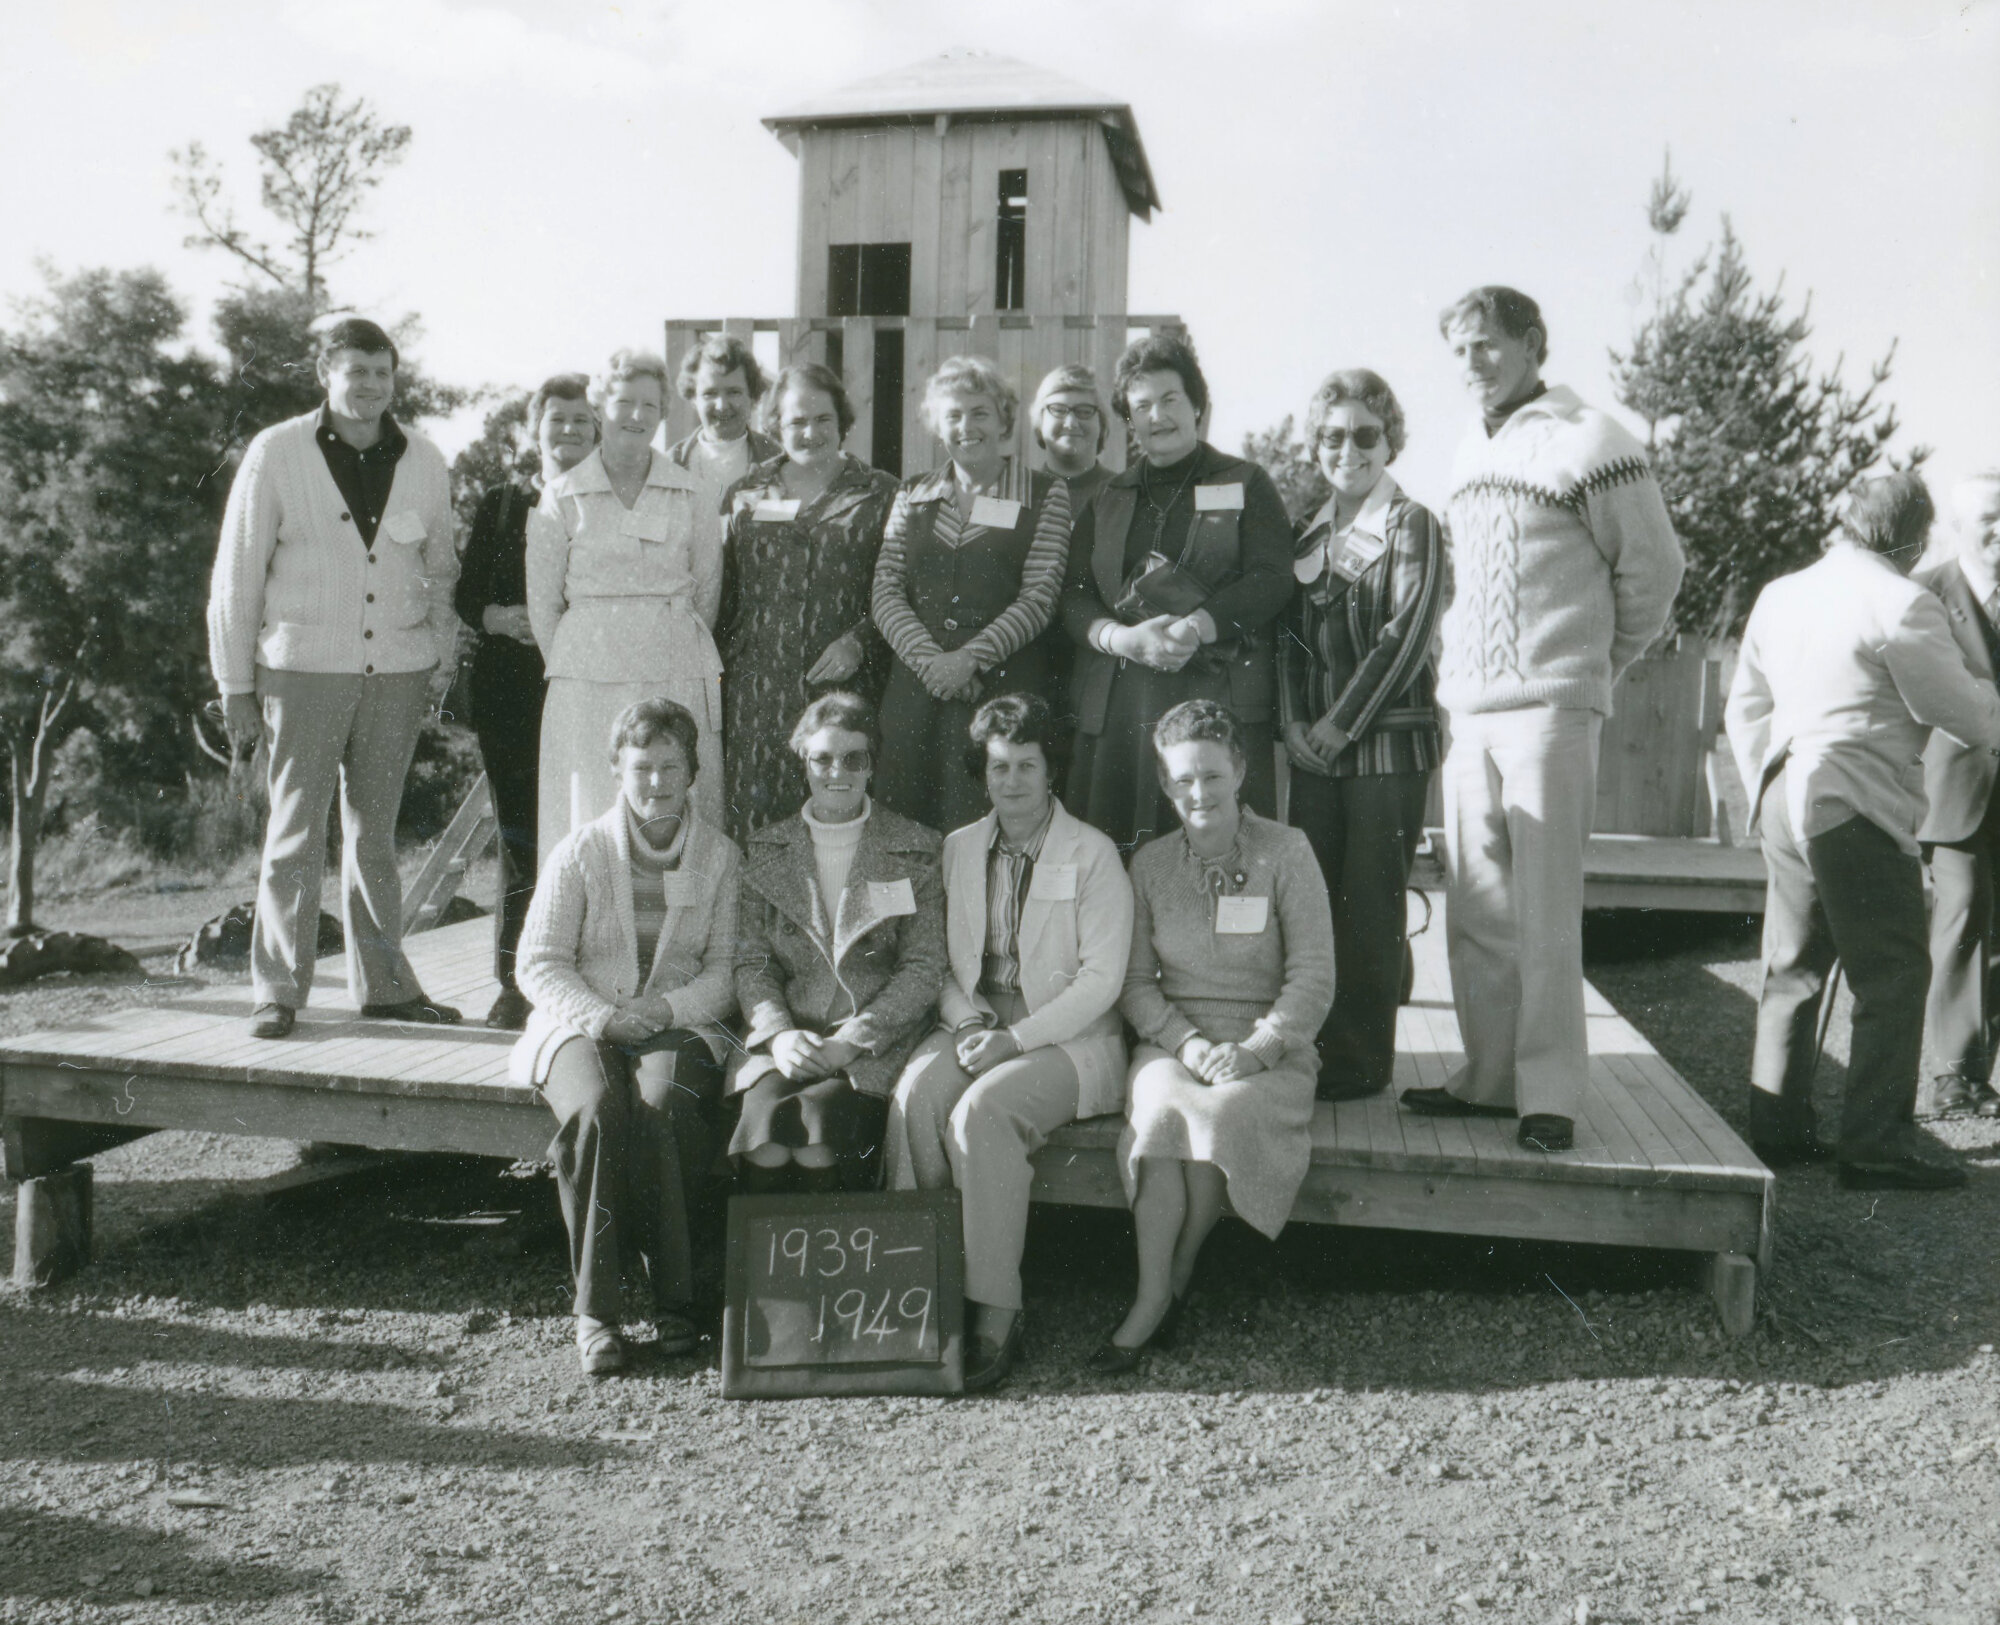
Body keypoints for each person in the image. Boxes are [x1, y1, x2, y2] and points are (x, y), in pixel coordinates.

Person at [1400, 286, 1684, 1153]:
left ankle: (1549, 1093)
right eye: (1458, 349)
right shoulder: (1464, 450)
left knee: (1546, 907)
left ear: (1532, 344)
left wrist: (1595, 663)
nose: (1471, 364)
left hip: (1552, 711)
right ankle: (1489, 1077)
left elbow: (1656, 572)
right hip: (1473, 711)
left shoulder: (1594, 438)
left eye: (1486, 345)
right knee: (1478, 906)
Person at [1727, 472, 2000, 1189]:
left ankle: (1778, 1127)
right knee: (1895, 970)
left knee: (1794, 962)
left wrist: (1767, 777)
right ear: (1913, 539)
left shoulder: (1782, 593)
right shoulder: (1901, 600)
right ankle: (1876, 1143)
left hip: (1788, 785)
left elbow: (1745, 704)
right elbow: (1966, 718)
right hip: (1857, 800)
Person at [209, 316, 462, 1039]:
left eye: (382, 373)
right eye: (355, 371)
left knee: (374, 834)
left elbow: (441, 569)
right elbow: (236, 576)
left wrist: (438, 652)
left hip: (397, 675)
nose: (370, 387)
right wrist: (235, 684)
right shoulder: (277, 453)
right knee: (294, 831)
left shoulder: (425, 458)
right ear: (326, 372)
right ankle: (279, 992)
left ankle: (384, 985)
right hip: (301, 672)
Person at [884, 693, 1133, 1391]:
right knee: (917, 1095)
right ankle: (916, 1291)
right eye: (999, 766)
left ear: (1052, 770)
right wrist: (967, 1022)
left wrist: (1014, 1040)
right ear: (981, 771)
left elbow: (1102, 980)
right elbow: (938, 958)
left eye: (1028, 764)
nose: (1013, 780)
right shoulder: (959, 848)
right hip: (974, 1019)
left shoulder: (1092, 853)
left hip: (1068, 1034)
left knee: (983, 1112)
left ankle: (996, 1309)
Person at [1093, 700, 1334, 1373]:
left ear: (1240, 771)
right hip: (1177, 1043)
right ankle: (1151, 1295)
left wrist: (1258, 1046)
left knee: (1219, 1115)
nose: (1198, 793)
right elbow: (1137, 981)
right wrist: (1188, 1043)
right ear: (1166, 786)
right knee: (1167, 1111)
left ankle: (1179, 1271)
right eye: (1182, 780)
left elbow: (1314, 975)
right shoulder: (1149, 865)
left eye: (1211, 775)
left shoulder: (1287, 852)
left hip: (1271, 1050)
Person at [511, 699, 740, 1373]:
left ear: (693, 772)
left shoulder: (720, 857)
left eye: (671, 766)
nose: (656, 783)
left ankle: (677, 1299)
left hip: (678, 1018)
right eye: (642, 766)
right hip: (582, 1020)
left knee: (663, 1108)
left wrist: (665, 1009)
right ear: (617, 769)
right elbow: (539, 962)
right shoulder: (581, 851)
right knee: (599, 1113)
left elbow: (726, 969)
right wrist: (605, 1018)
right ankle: (597, 1309)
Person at [1278, 369, 1445, 1102]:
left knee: (1371, 904)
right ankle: (1316, 1041)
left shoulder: (1413, 523)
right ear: (1316, 445)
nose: (1349, 448)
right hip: (1315, 752)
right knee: (1316, 905)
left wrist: (1338, 726)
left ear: (1390, 442)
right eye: (1333, 435)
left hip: (1382, 749)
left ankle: (1361, 1059)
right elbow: (1287, 640)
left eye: (1366, 435)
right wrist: (1292, 724)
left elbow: (1404, 639)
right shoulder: (1307, 531)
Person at [1059, 332, 1294, 852]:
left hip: (1217, 698)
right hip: (1125, 706)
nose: (1157, 416)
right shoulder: (1107, 498)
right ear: (1128, 418)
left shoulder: (1246, 482)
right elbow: (1073, 597)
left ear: (1198, 406)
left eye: (1170, 400)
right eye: (1141, 405)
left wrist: (1198, 625)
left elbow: (1272, 576)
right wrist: (1121, 639)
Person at [730, 693, 947, 1190]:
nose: (837, 772)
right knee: (765, 1136)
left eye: (854, 758)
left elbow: (923, 966)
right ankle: (761, 1270)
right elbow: (751, 963)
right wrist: (779, 1035)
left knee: (816, 1134)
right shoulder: (765, 850)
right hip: (787, 1044)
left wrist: (853, 1041)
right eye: (822, 758)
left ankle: (830, 1269)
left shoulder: (916, 847)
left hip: (873, 1048)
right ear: (803, 763)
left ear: (872, 765)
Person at [528, 349, 723, 859]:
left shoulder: (693, 494)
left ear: (663, 413)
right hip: (587, 684)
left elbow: (706, 593)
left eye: (650, 406)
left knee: (676, 806)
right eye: (623, 402)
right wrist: (587, 658)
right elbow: (544, 607)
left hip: (674, 667)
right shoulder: (561, 495)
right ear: (599, 408)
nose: (637, 416)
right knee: (590, 811)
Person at [872, 356, 1074, 833]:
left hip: (1000, 692)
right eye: (953, 415)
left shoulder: (1045, 494)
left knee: (990, 830)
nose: (967, 426)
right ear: (937, 426)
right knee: (904, 830)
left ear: (1004, 418)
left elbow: (1040, 597)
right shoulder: (912, 494)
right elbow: (885, 590)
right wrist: (933, 663)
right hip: (914, 696)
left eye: (980, 412)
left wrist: (967, 661)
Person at [454, 373, 596, 1030]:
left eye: (579, 419)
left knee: (584, 828)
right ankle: (514, 982)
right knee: (520, 838)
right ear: (535, 427)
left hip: (586, 686)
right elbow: (464, 596)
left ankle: (580, 971)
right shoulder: (505, 505)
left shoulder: (602, 502)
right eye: (556, 418)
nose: (567, 431)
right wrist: (495, 615)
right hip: (511, 696)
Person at [715, 364, 900, 841]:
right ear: (776, 425)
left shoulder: (881, 493)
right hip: (759, 697)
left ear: (842, 422)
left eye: (822, 419)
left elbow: (903, 588)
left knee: (842, 820)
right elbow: (723, 592)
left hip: (847, 688)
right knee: (759, 824)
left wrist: (860, 642)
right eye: (797, 421)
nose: (810, 432)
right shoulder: (745, 494)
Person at [1915, 471, 2000, 1120]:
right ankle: (1948, 1073)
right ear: (1958, 528)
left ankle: (1978, 1073)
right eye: (1989, 521)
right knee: (1962, 915)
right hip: (1953, 791)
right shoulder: (1923, 595)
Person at [666, 334, 783, 494]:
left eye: (734, 392)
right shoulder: (671, 464)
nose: (722, 406)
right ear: (693, 398)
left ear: (751, 396)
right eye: (710, 393)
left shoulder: (776, 459)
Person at [1030, 362, 1115, 511]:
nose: (1071, 423)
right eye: (1058, 410)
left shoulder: (1123, 493)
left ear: (1101, 423)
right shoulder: (1020, 492)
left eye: (1084, 411)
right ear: (1039, 421)